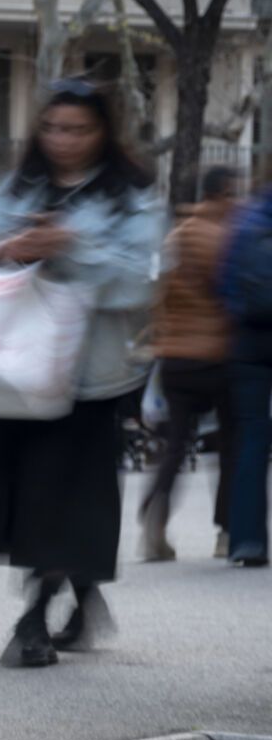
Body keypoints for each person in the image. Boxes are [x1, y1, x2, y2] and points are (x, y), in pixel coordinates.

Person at [0, 78, 165, 668]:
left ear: (104, 132)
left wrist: (70, 247)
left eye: (77, 129)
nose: (62, 139)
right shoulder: (15, 185)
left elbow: (143, 280)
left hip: (89, 378)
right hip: (15, 371)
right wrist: (7, 249)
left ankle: (33, 619)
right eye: (52, 127)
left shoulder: (131, 197)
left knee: (64, 494)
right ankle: (83, 593)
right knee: (29, 495)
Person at [139, 166, 240, 562]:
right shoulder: (224, 238)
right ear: (222, 194)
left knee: (176, 446)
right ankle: (227, 531)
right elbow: (232, 295)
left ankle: (156, 510)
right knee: (229, 446)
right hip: (217, 355)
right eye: (232, 194)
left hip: (175, 358)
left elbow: (156, 294)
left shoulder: (175, 236)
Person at [220, 171, 272, 568]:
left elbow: (224, 284)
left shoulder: (245, 221)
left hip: (249, 343)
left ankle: (247, 541)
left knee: (252, 441)